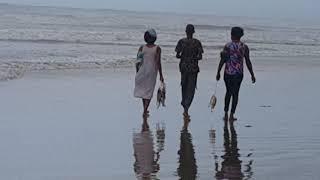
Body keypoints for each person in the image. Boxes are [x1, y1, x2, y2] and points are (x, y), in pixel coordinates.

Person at [216, 27, 256, 121]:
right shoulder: (244, 47)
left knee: (228, 92)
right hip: (238, 74)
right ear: (240, 36)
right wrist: (252, 74)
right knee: (235, 94)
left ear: (232, 35)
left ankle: (225, 114)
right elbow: (248, 62)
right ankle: (231, 115)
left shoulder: (227, 46)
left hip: (228, 73)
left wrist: (218, 72)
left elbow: (223, 60)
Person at [175, 24, 204, 119]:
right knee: (191, 88)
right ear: (193, 32)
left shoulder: (181, 42)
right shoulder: (197, 43)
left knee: (184, 86)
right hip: (193, 68)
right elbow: (200, 57)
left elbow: (177, 55)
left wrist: (184, 56)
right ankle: (186, 107)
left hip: (183, 67)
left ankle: (184, 105)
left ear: (186, 31)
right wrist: (193, 58)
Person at [134, 29, 164, 118]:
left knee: (143, 91)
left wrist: (137, 71)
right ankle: (145, 109)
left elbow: (138, 61)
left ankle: (145, 109)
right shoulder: (157, 48)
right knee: (149, 91)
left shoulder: (141, 47)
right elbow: (158, 62)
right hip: (152, 72)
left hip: (142, 71)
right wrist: (161, 75)